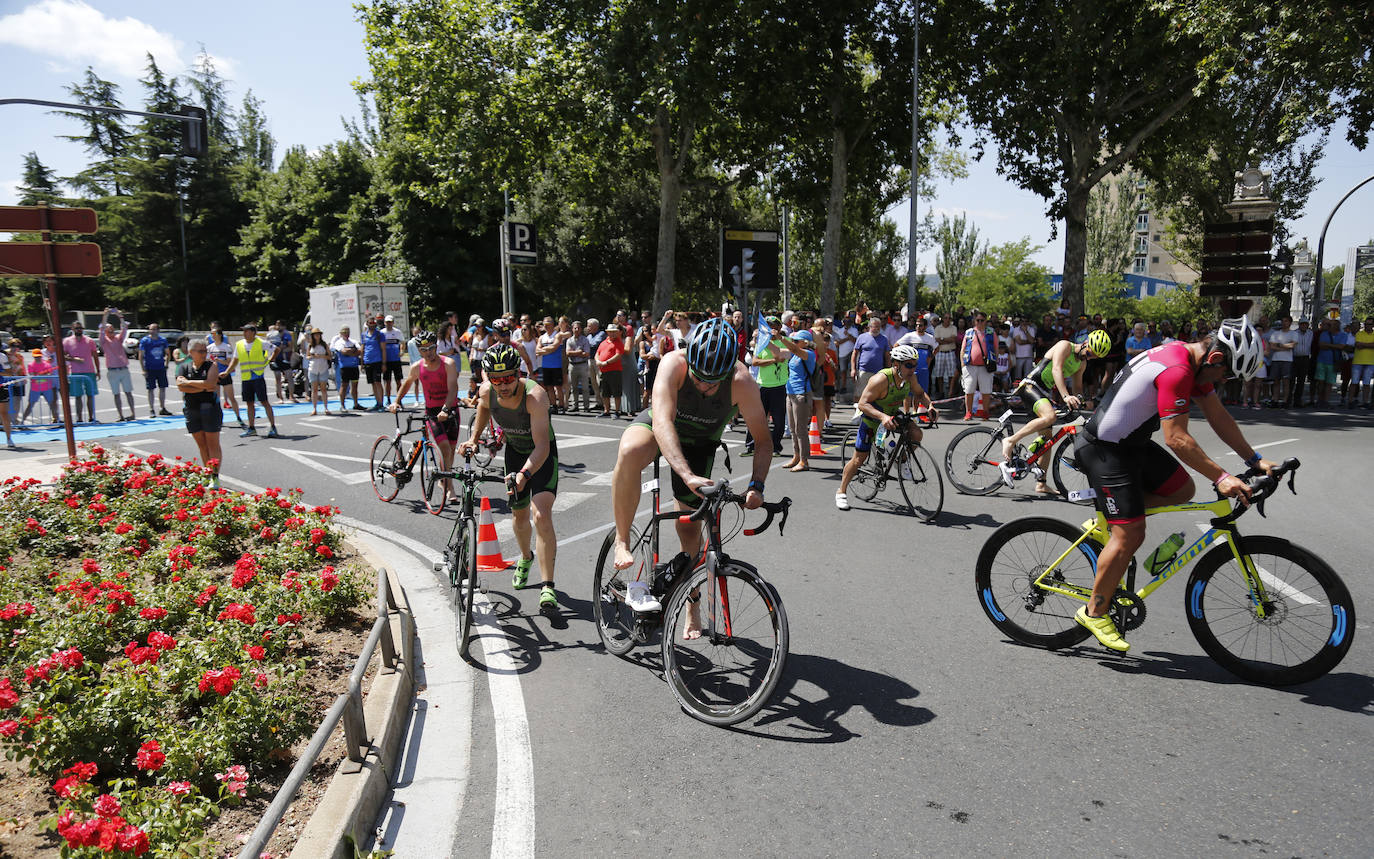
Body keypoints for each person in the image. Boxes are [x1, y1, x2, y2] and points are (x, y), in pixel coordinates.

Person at [1073, 317, 1275, 652]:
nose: (1223, 382)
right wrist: (1222, 477)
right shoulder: (1178, 370)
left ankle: (1111, 516)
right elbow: (1177, 439)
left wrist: (1255, 460)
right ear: (1216, 358)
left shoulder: (1193, 361)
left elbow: (1218, 416)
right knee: (1131, 534)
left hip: (1130, 444)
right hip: (1104, 450)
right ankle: (1094, 611)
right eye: (1226, 375)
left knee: (1182, 489)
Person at [609, 317, 773, 628]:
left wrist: (757, 485)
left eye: (713, 382)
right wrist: (686, 475)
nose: (704, 386)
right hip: (662, 426)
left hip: (700, 442)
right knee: (630, 450)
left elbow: (763, 441)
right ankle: (621, 539)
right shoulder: (673, 363)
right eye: (699, 378)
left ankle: (691, 602)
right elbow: (662, 423)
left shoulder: (743, 382)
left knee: (690, 532)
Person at [460, 343, 562, 616]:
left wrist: (525, 474)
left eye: (508, 378)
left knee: (541, 515)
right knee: (519, 516)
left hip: (541, 455)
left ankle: (547, 585)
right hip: (515, 453)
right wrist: (473, 439)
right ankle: (526, 557)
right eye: (496, 379)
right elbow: (483, 407)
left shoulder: (535, 396)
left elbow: (542, 446)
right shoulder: (486, 391)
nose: (503, 385)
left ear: (518, 373)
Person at [1000, 328, 1111, 492]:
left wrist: (1083, 400)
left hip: (1042, 393)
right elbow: (1056, 369)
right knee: (1050, 416)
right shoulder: (1065, 346)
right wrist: (1065, 396)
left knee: (1047, 441)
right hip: (1030, 386)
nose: (1089, 357)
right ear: (1085, 343)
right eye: (1089, 353)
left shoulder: (1082, 363)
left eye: (1094, 357)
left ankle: (1041, 483)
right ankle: (1010, 440)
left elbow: (1077, 386)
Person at [835, 344, 934, 510]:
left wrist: (930, 406)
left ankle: (901, 460)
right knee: (859, 459)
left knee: (916, 434)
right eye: (909, 364)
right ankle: (841, 491)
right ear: (896, 364)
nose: (913, 368)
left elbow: (919, 393)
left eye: (915, 364)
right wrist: (882, 417)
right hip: (872, 419)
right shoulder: (880, 380)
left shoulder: (910, 378)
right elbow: (862, 404)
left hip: (892, 414)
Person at [391, 330, 461, 501]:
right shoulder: (417, 367)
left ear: (436, 347)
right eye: (423, 350)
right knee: (444, 448)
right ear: (418, 351)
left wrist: (446, 409)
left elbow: (453, 388)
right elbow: (407, 383)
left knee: (451, 451)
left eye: (431, 348)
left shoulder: (448, 363)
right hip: (432, 413)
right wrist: (397, 401)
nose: (428, 352)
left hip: (450, 410)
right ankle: (450, 487)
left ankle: (443, 480)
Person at [176, 339, 224, 489]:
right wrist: (202, 386)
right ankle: (207, 474)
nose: (204, 354)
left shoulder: (211, 366)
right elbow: (181, 387)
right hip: (192, 408)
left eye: (205, 351)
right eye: (201, 351)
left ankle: (215, 476)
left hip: (210, 408)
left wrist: (189, 382)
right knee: (202, 445)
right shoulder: (183, 367)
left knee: (212, 444)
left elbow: (211, 384)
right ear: (191, 352)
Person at [225, 323, 279, 438]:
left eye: (246, 331)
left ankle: (273, 427)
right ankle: (251, 428)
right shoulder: (239, 344)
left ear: (253, 332)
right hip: (246, 378)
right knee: (249, 403)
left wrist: (270, 359)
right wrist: (227, 372)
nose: (244, 333)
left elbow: (276, 349)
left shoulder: (261, 342)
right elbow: (235, 360)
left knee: (264, 402)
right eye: (243, 331)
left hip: (258, 377)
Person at [743, 317, 787, 457]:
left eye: (773, 326)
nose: (770, 329)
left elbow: (781, 355)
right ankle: (751, 446)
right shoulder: (761, 343)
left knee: (779, 420)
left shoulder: (786, 341)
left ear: (779, 328)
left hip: (779, 386)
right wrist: (773, 360)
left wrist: (772, 354)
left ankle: (775, 447)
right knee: (756, 418)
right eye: (768, 326)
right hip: (762, 385)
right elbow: (755, 362)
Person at [780, 330, 818, 472]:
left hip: (801, 394)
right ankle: (796, 456)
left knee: (800, 429)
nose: (794, 342)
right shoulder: (794, 354)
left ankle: (804, 460)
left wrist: (780, 337)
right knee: (792, 428)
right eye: (793, 340)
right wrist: (766, 339)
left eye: (796, 340)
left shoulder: (809, 354)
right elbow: (777, 351)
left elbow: (794, 349)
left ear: (805, 342)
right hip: (790, 393)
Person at [959, 312, 998, 420]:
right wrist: (962, 365)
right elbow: (963, 349)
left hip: (986, 366)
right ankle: (968, 412)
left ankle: (985, 412)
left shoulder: (991, 332)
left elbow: (996, 348)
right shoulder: (969, 332)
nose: (980, 322)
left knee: (986, 391)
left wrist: (994, 361)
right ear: (974, 321)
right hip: (970, 365)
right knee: (969, 390)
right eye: (978, 320)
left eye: (982, 320)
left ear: (986, 321)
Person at [99, 309, 136, 421]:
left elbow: (124, 328)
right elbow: (101, 329)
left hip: (123, 369)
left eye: (112, 329)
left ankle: (133, 414)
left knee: (128, 392)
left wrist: (119, 315)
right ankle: (120, 415)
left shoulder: (118, 339)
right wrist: (105, 316)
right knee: (116, 394)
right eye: (109, 330)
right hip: (112, 371)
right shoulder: (104, 341)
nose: (111, 331)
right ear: (105, 332)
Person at [63, 320, 101, 423]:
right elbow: (63, 356)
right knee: (78, 396)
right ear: (72, 329)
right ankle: (79, 418)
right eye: (77, 328)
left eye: (80, 328)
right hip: (75, 372)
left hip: (89, 372)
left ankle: (91, 417)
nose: (79, 330)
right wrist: (74, 359)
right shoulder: (67, 341)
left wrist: (98, 370)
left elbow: (95, 356)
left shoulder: (89, 341)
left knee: (90, 395)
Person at [207, 324, 244, 426]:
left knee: (232, 398)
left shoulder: (226, 347)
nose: (212, 335)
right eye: (211, 334)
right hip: (215, 376)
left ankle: (239, 417)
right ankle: (219, 419)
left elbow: (229, 362)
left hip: (225, 374)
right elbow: (207, 361)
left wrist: (219, 360)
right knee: (216, 399)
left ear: (219, 335)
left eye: (214, 333)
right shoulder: (209, 347)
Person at [851, 316, 889, 399]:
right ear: (869, 327)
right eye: (874, 326)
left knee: (876, 395)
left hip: (878, 372)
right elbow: (854, 353)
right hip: (863, 371)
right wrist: (853, 369)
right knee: (860, 394)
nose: (876, 329)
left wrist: (888, 371)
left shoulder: (884, 339)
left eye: (878, 327)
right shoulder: (861, 337)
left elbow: (887, 356)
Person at [137, 324, 172, 417]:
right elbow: (141, 355)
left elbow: (168, 353)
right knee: (150, 389)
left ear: (158, 330)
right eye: (151, 329)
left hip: (160, 367)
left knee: (162, 388)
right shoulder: (145, 341)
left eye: (154, 329)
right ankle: (151, 409)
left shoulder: (163, 340)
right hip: (149, 368)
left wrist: (166, 364)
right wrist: (143, 369)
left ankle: (162, 407)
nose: (152, 331)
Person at [595, 323, 626, 417]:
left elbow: (618, 355)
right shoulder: (603, 342)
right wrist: (598, 361)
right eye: (610, 332)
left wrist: (606, 362)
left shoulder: (618, 342)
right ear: (607, 332)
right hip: (603, 370)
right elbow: (597, 353)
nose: (612, 334)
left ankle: (617, 411)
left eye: (614, 332)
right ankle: (606, 411)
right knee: (604, 392)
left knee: (616, 392)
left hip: (614, 370)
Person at [22, 349, 57, 425]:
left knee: (51, 404)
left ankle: (56, 420)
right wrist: (42, 375)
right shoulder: (31, 365)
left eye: (39, 356)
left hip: (47, 388)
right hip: (35, 388)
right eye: (36, 357)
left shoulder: (47, 364)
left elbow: (49, 374)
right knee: (30, 405)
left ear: (41, 356)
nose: (37, 358)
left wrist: (39, 374)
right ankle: (22, 421)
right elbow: (32, 375)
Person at [361, 316, 388, 411]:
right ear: (367, 324)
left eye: (373, 323)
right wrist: (362, 363)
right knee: (372, 383)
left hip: (377, 361)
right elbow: (363, 349)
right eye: (370, 323)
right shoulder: (364, 335)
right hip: (367, 361)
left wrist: (384, 363)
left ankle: (381, 403)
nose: (372, 325)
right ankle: (377, 402)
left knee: (378, 382)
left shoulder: (379, 335)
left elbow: (383, 349)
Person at [332, 326, 362, 410]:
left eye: (348, 332)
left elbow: (359, 351)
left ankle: (356, 404)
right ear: (341, 333)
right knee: (344, 386)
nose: (346, 334)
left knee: (355, 386)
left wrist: (349, 352)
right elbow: (343, 351)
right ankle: (342, 405)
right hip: (345, 367)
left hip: (354, 366)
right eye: (344, 332)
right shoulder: (339, 342)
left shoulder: (353, 341)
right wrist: (353, 351)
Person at [304, 328, 332, 415]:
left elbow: (329, 356)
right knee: (314, 389)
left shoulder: (324, 345)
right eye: (315, 334)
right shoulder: (310, 345)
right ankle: (314, 408)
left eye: (318, 334)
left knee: (323, 389)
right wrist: (313, 356)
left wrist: (322, 356)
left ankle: (326, 408)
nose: (317, 336)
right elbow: (307, 356)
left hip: (323, 368)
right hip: (313, 368)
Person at [566, 320, 593, 412]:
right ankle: (575, 405)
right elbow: (567, 353)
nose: (576, 329)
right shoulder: (569, 340)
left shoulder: (585, 340)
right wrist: (579, 352)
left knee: (585, 387)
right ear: (572, 329)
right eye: (575, 328)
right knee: (573, 387)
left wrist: (574, 353)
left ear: (581, 329)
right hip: (572, 365)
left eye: (578, 328)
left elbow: (586, 353)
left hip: (583, 365)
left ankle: (586, 406)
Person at [1351, 316, 1374, 409]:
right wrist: (1370, 345)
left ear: (1373, 325)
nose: (1367, 326)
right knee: (1354, 382)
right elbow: (1357, 345)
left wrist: (1363, 344)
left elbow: (1362, 345)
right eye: (1366, 324)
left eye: (1369, 324)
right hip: (1358, 361)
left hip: (1370, 362)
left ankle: (1365, 402)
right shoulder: (1359, 333)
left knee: (1366, 383)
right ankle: (1350, 401)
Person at [381, 315, 405, 405]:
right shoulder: (382, 332)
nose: (389, 324)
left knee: (398, 381)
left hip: (396, 360)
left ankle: (399, 400)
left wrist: (401, 350)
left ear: (393, 323)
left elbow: (402, 342)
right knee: (387, 381)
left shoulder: (397, 332)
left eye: (390, 322)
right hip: (386, 360)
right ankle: (388, 399)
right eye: (387, 322)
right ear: (384, 323)